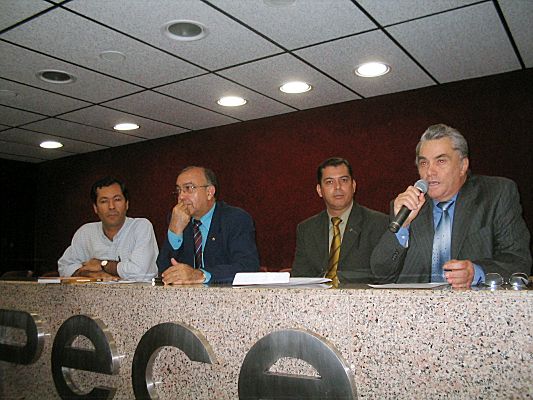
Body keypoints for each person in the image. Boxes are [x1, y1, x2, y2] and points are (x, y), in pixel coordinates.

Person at [371, 124, 532, 288]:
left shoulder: (496, 195)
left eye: (440, 161)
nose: (430, 172)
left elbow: (519, 262)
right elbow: (381, 274)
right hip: (416, 303)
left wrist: (476, 273)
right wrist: (403, 226)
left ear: (463, 166)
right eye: (424, 163)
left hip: (474, 302)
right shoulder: (408, 206)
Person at [291, 157, 389, 285]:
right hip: (317, 297)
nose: (338, 187)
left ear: (353, 186)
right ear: (319, 190)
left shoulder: (379, 223)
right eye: (329, 182)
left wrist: (338, 278)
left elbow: (383, 273)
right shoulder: (307, 229)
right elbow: (300, 278)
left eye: (344, 180)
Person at [157, 166, 260, 284]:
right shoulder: (177, 218)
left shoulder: (235, 219)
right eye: (179, 190)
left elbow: (248, 266)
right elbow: (163, 271)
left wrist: (201, 275)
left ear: (209, 192)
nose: (181, 197)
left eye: (189, 188)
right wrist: (175, 231)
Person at [58, 177, 158, 281]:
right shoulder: (85, 232)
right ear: (95, 208)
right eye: (104, 201)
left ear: (127, 204)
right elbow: (64, 267)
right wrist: (90, 274)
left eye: (117, 199)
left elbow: (140, 273)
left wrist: (102, 264)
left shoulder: (141, 227)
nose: (111, 206)